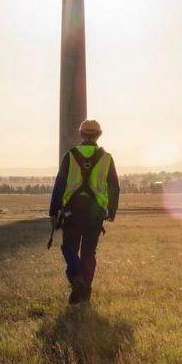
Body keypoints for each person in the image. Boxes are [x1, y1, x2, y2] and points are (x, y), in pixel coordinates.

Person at [49, 119, 120, 304]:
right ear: (99, 135)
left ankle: (76, 279)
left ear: (81, 134)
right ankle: (84, 291)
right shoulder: (107, 158)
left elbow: (59, 185)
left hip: (72, 210)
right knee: (89, 253)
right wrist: (111, 211)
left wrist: (53, 212)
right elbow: (114, 187)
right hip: (95, 212)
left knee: (69, 248)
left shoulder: (70, 155)